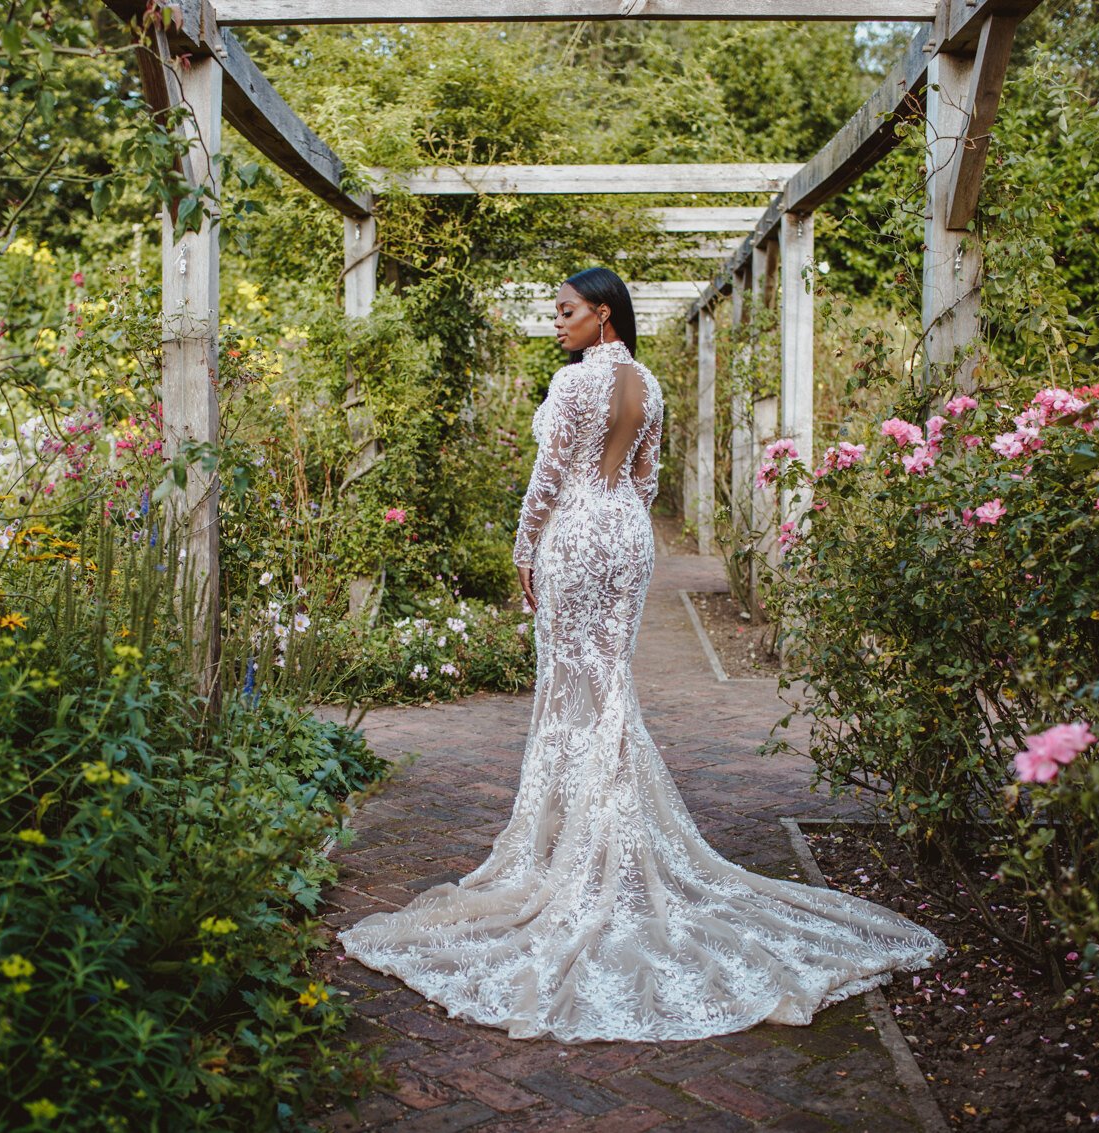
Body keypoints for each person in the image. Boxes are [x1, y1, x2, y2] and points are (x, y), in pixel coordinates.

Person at [339, 266, 943, 1043]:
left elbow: (548, 477)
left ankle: (586, 853)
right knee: (609, 686)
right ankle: (612, 836)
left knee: (571, 689)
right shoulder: (648, 383)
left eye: (566, 312)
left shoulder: (572, 388)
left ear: (603, 315)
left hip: (579, 532)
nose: (556, 323)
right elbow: (647, 477)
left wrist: (526, 548)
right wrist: (622, 524)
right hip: (627, 531)